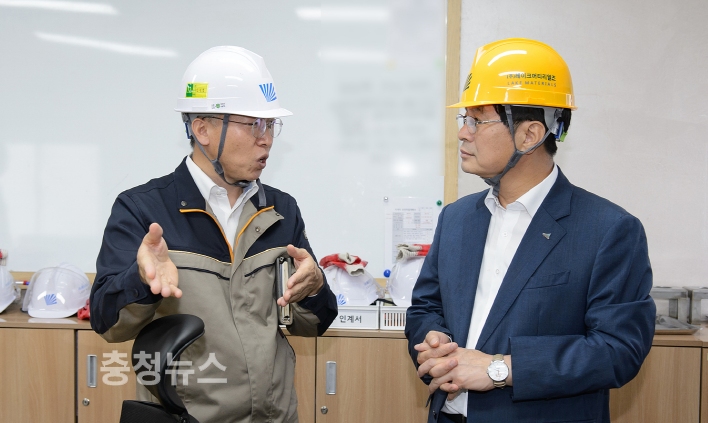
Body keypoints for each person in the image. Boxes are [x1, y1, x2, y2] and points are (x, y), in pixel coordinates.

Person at [405, 38, 655, 423]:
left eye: (477, 120)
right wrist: (434, 342)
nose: (463, 134)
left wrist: (499, 369)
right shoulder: (456, 218)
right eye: (464, 119)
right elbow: (426, 307)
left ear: (530, 135)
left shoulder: (609, 230)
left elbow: (617, 350)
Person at [90, 46, 338, 423]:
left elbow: (313, 324)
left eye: (271, 125)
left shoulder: (281, 211)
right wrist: (141, 279)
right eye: (253, 124)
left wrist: (315, 287)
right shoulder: (143, 210)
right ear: (202, 129)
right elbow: (107, 323)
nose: (266, 140)